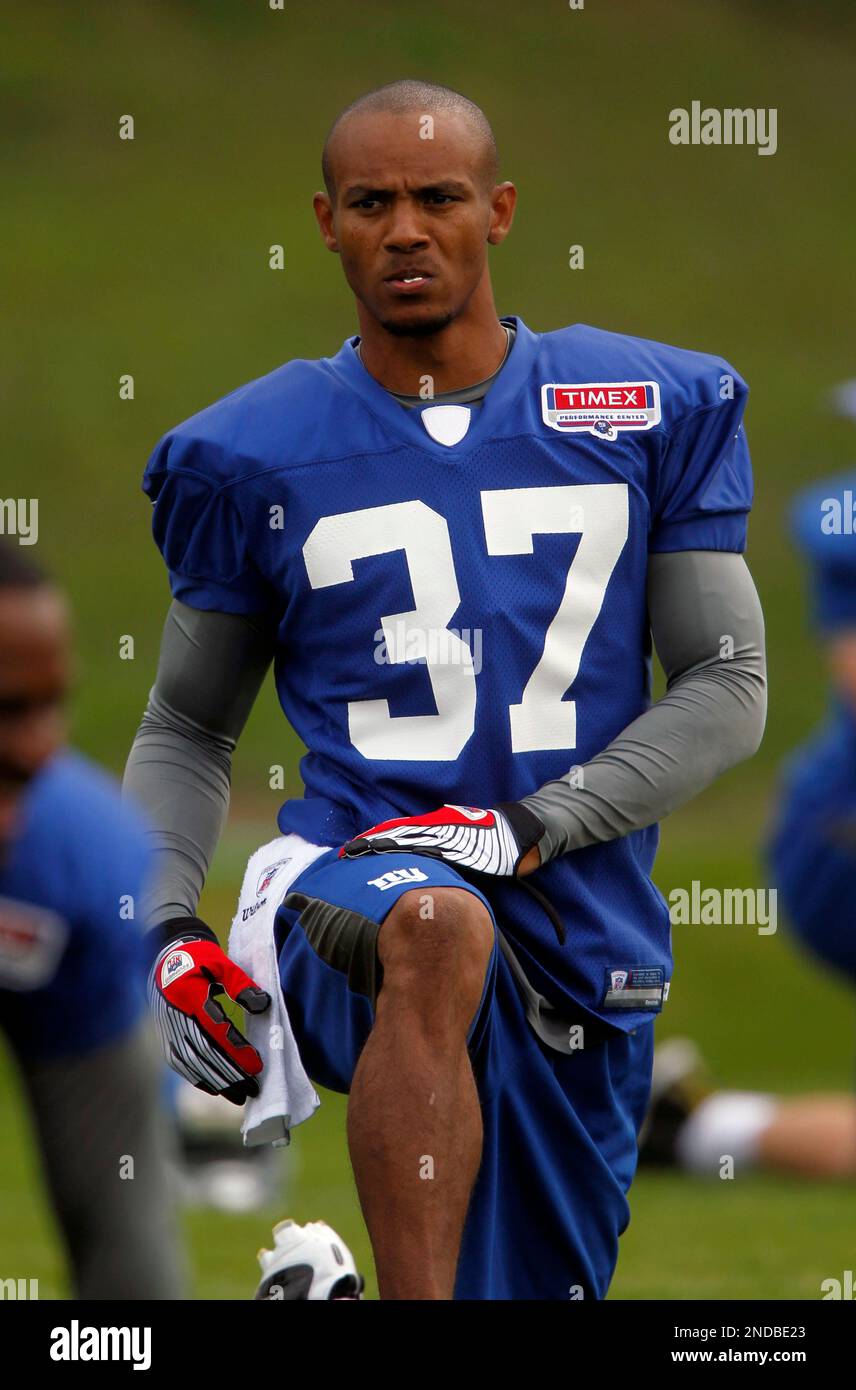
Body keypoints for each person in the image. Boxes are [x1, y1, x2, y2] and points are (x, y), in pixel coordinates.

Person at [125, 79, 766, 1300]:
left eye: (438, 197)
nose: (405, 229)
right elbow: (187, 725)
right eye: (372, 202)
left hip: (577, 926)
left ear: (501, 210)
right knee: (435, 921)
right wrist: (163, 932)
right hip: (351, 890)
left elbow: (727, 680)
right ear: (326, 221)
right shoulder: (251, 450)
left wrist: (528, 826)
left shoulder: (641, 406)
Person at [0, 539, 182, 1298]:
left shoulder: (78, 859)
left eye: (51, 705)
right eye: (5, 711)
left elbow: (129, 1257)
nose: (39, 749)